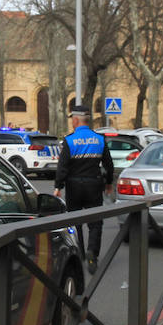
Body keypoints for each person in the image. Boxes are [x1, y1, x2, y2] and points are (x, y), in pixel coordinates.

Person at [55, 103, 114, 273]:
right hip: (94, 185)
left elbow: (63, 167)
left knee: (75, 221)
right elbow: (109, 165)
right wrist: (109, 183)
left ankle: (79, 252)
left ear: (75, 120)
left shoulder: (69, 140)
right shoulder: (100, 139)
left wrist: (58, 186)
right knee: (95, 222)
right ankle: (92, 253)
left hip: (73, 186)